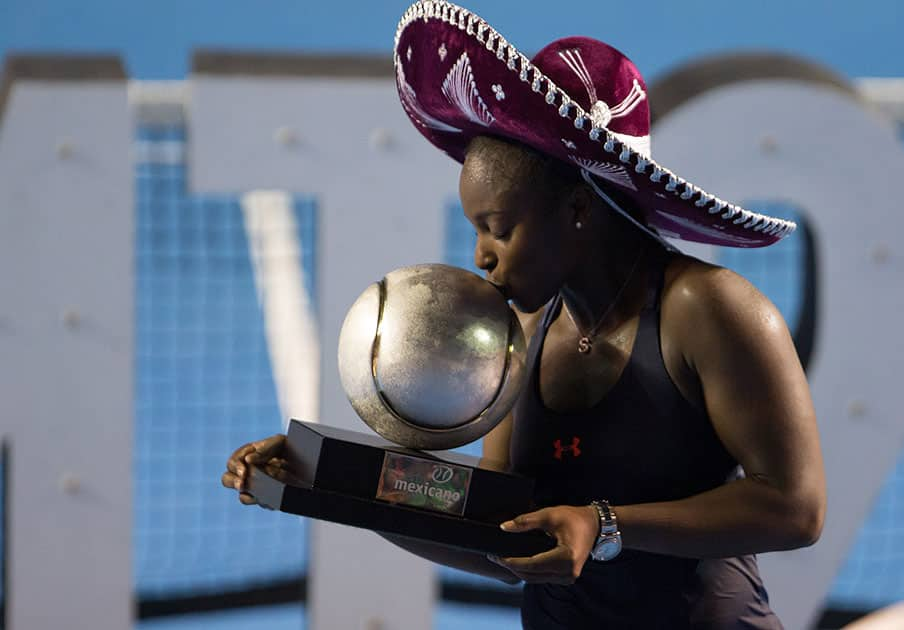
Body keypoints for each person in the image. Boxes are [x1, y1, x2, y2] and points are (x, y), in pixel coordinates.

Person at [223, 3, 825, 628]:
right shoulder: (527, 338)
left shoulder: (708, 308)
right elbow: (503, 537)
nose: (480, 255)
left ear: (577, 209)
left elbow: (795, 506)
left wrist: (605, 524)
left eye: (498, 228)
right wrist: (322, 483)